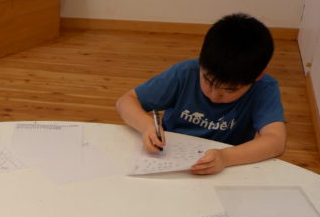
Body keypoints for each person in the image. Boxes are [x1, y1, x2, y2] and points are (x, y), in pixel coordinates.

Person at [115, 12, 286, 175]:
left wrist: (225, 157)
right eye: (207, 81)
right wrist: (146, 126)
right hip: (169, 157)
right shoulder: (185, 73)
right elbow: (126, 101)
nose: (214, 95)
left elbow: (276, 141)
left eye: (230, 90)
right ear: (201, 61)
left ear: (258, 76)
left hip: (226, 167)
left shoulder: (264, 88)